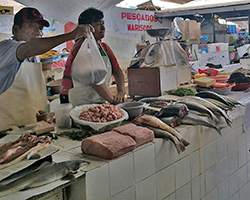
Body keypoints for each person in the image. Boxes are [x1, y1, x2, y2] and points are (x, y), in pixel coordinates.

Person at [0, 7, 91, 131]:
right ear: (16, 29)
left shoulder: (35, 56)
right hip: (6, 130)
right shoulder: (7, 48)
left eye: (40, 28)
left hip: (32, 127)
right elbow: (28, 48)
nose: (37, 32)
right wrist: (71, 35)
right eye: (31, 26)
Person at [60, 8, 126, 106]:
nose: (103, 28)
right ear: (86, 27)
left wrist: (121, 92)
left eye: (103, 23)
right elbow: (94, 80)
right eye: (98, 24)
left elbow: (117, 70)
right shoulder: (81, 48)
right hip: (79, 100)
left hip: (98, 98)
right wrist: (112, 100)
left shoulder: (104, 47)